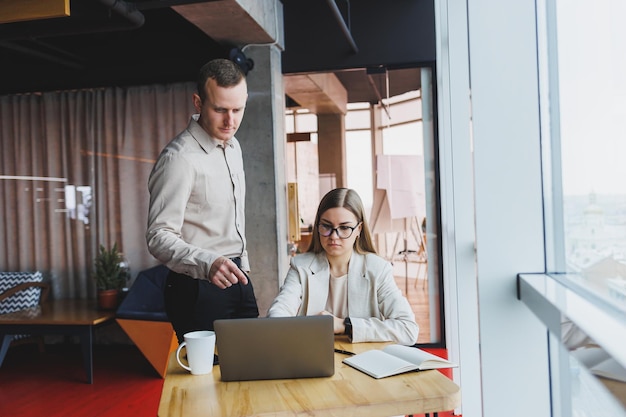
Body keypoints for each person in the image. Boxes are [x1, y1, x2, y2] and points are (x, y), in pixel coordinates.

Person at [146, 58, 259, 343]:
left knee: (251, 370)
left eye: (237, 109)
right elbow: (158, 236)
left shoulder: (234, 147)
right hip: (196, 287)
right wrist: (208, 263)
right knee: (206, 383)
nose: (230, 120)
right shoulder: (179, 158)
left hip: (239, 278)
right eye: (220, 109)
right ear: (198, 103)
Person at [268, 188, 419, 345]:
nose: (334, 236)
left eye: (344, 228)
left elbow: (408, 330)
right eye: (326, 226)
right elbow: (278, 315)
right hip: (312, 358)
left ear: (358, 229)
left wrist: (345, 325)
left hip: (364, 361)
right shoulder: (300, 266)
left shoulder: (378, 269)